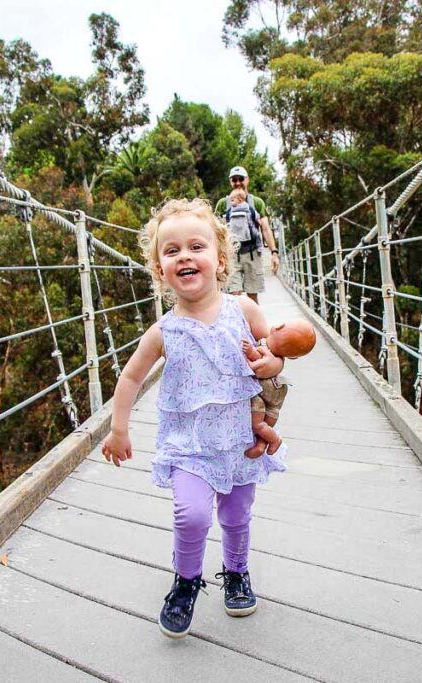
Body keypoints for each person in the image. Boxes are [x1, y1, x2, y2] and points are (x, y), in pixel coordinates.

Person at [101, 198, 288, 639]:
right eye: (171, 251)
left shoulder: (244, 310)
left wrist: (270, 366)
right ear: (160, 270)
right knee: (190, 516)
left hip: (239, 439)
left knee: (237, 516)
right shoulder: (163, 331)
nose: (184, 255)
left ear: (219, 260)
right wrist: (119, 427)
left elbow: (275, 358)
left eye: (196, 247)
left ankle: (236, 571)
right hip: (188, 445)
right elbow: (130, 378)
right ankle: (186, 582)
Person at [241, 320, 316, 458]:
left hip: (264, 392)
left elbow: (259, 361)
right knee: (266, 424)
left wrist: (250, 351)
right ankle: (262, 445)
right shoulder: (280, 356)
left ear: (278, 326)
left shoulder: (264, 344)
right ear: (294, 357)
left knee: (257, 424)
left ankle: (274, 440)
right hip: (277, 394)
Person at [215, 166, 279, 303]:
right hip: (231, 255)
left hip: (253, 253)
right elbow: (216, 232)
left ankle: (253, 324)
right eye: (234, 180)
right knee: (234, 294)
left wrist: (274, 253)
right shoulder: (223, 204)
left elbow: (266, 228)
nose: (238, 182)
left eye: (241, 179)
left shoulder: (256, 202)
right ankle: (238, 323)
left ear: (247, 180)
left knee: (252, 294)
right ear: (230, 182)